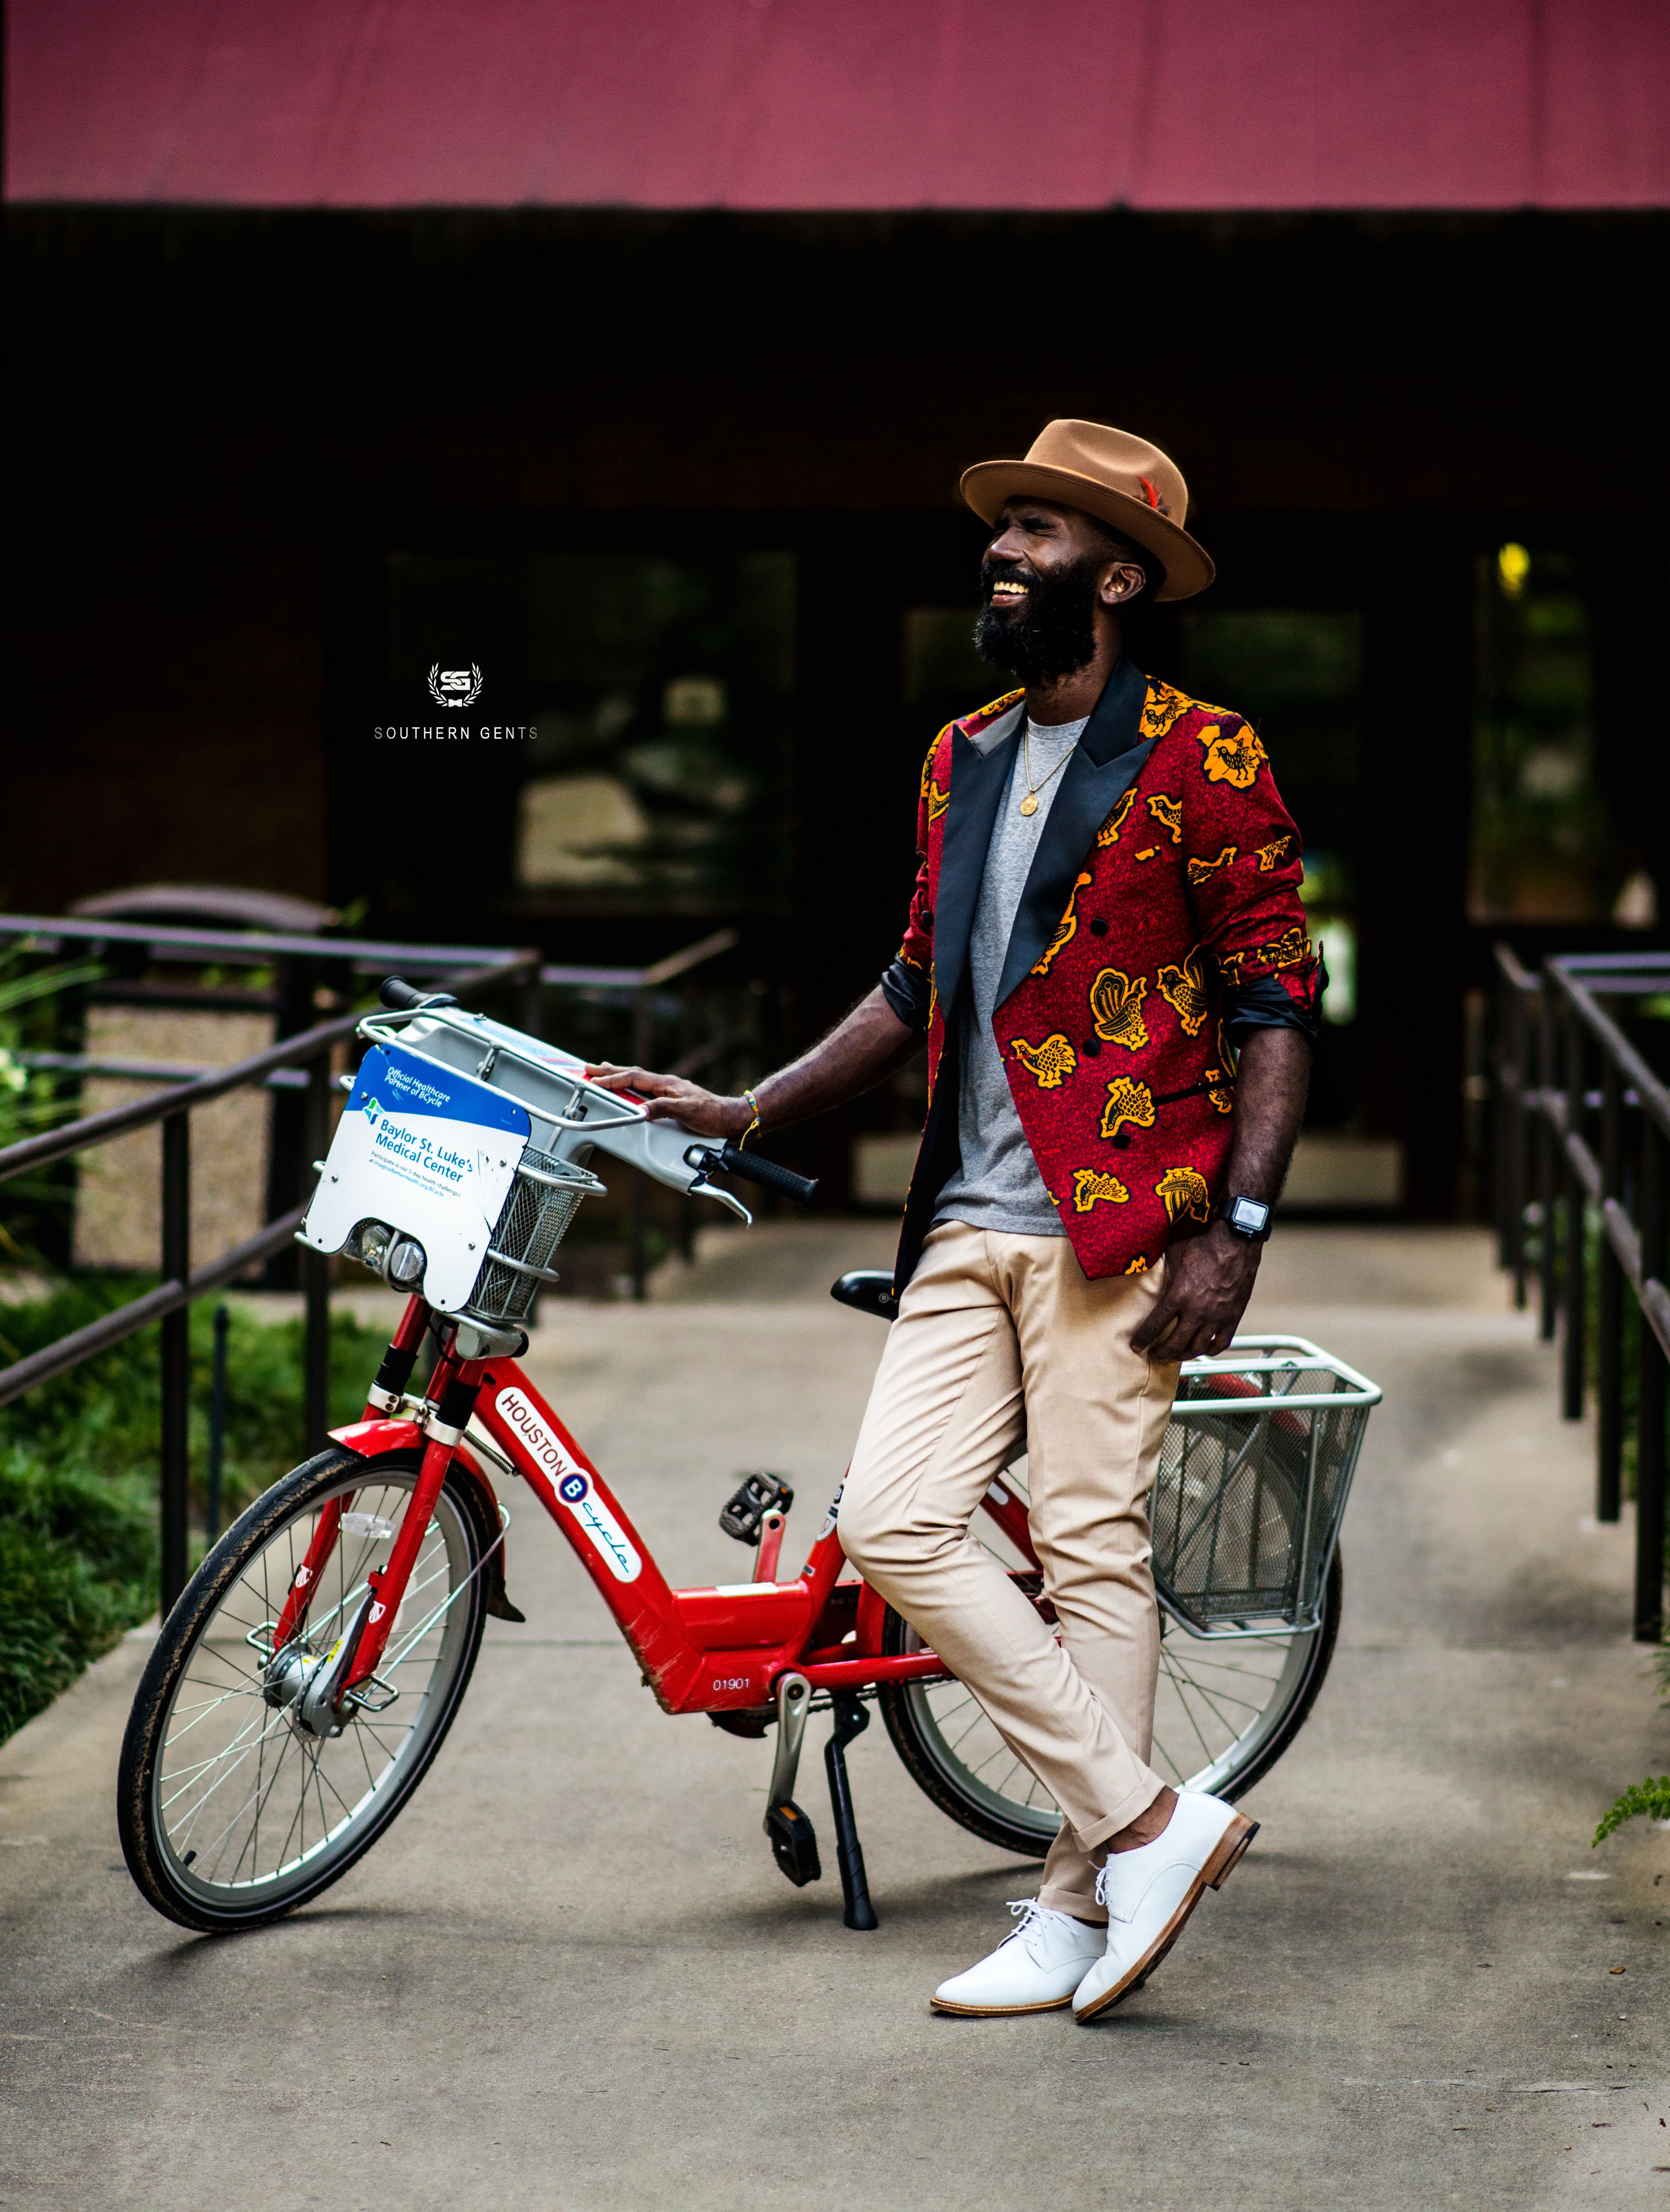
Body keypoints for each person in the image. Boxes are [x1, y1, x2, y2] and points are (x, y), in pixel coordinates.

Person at [599, 420, 1320, 2022]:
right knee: (907, 1521)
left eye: (1044, 533)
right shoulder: (960, 755)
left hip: (1121, 1224)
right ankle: (1147, 1825)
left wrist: (1241, 1226)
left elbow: (1279, 1003)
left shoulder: (1207, 756)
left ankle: (1076, 1909)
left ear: (1118, 574)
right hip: (966, 1219)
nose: (1003, 550)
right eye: (1003, 530)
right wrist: (750, 1107)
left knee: (1090, 1549)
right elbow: (915, 982)